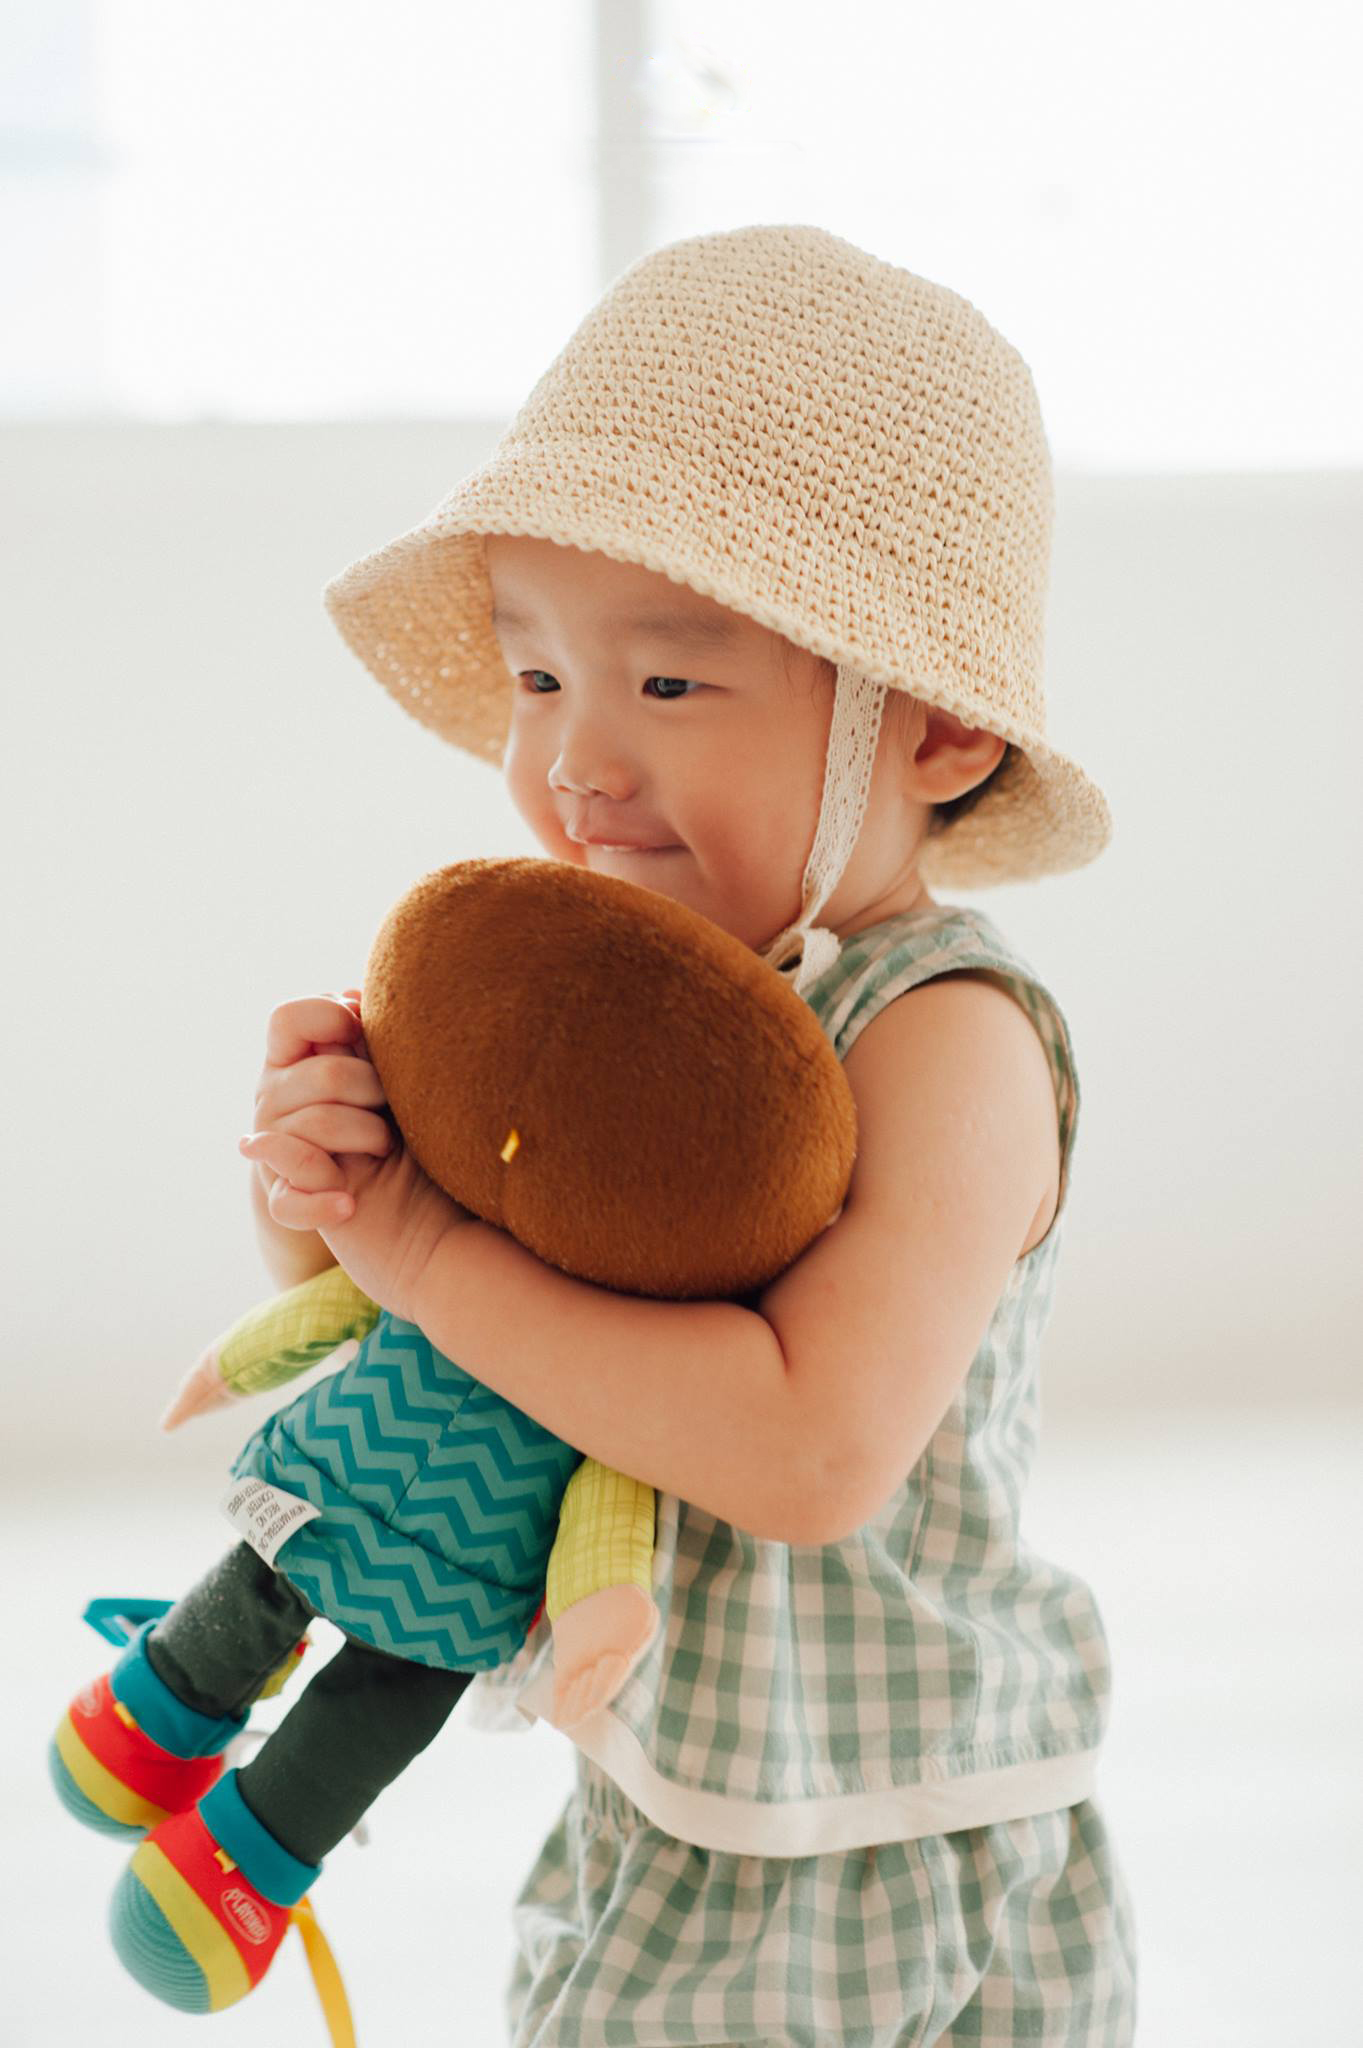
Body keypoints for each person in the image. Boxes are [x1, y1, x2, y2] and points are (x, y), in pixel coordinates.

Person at [60, 223, 1138, 2042]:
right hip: (667, 1789)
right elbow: (456, 1328)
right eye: (538, 678)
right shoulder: (617, 1005)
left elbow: (807, 1449)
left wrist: (424, 1248)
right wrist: (335, 1198)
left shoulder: (945, 1035)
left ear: (938, 729)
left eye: (669, 683)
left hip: (875, 1836)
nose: (572, 762)